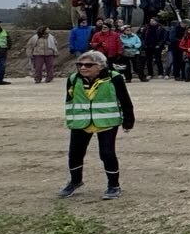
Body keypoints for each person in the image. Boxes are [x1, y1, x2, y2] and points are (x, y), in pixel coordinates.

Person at [57, 50, 135, 199]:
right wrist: (71, 119)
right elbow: (69, 100)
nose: (83, 68)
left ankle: (113, 185)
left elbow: (125, 100)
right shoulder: (73, 79)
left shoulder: (114, 78)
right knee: (75, 154)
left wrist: (128, 121)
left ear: (100, 66)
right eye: (79, 64)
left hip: (106, 122)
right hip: (80, 122)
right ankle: (75, 181)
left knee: (106, 153)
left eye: (88, 65)